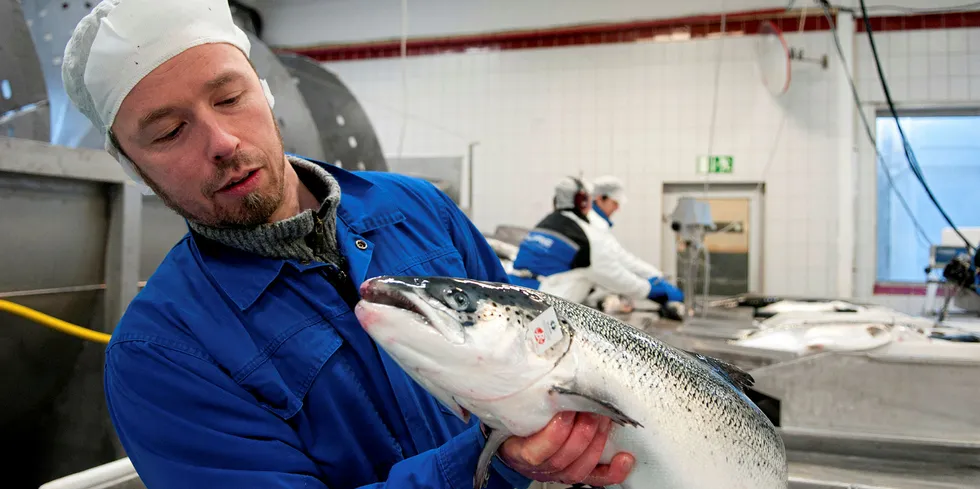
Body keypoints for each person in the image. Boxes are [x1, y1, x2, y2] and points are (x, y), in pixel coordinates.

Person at [61, 1, 634, 487]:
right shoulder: (161, 353)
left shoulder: (417, 209)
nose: (222, 141)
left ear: (263, 91)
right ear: (133, 165)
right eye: (168, 132)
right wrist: (485, 464)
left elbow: (538, 355)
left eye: (230, 97)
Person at [508, 177, 668, 309]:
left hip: (515, 293)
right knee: (589, 275)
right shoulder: (585, 235)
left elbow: (617, 259)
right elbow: (613, 275)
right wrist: (651, 290)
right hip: (543, 303)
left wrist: (652, 275)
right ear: (583, 202)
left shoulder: (545, 224)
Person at [588, 176, 685, 320]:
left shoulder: (599, 227)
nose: (617, 208)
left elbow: (622, 258)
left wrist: (654, 275)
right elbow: (610, 270)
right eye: (614, 203)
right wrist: (649, 289)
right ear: (600, 199)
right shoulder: (591, 227)